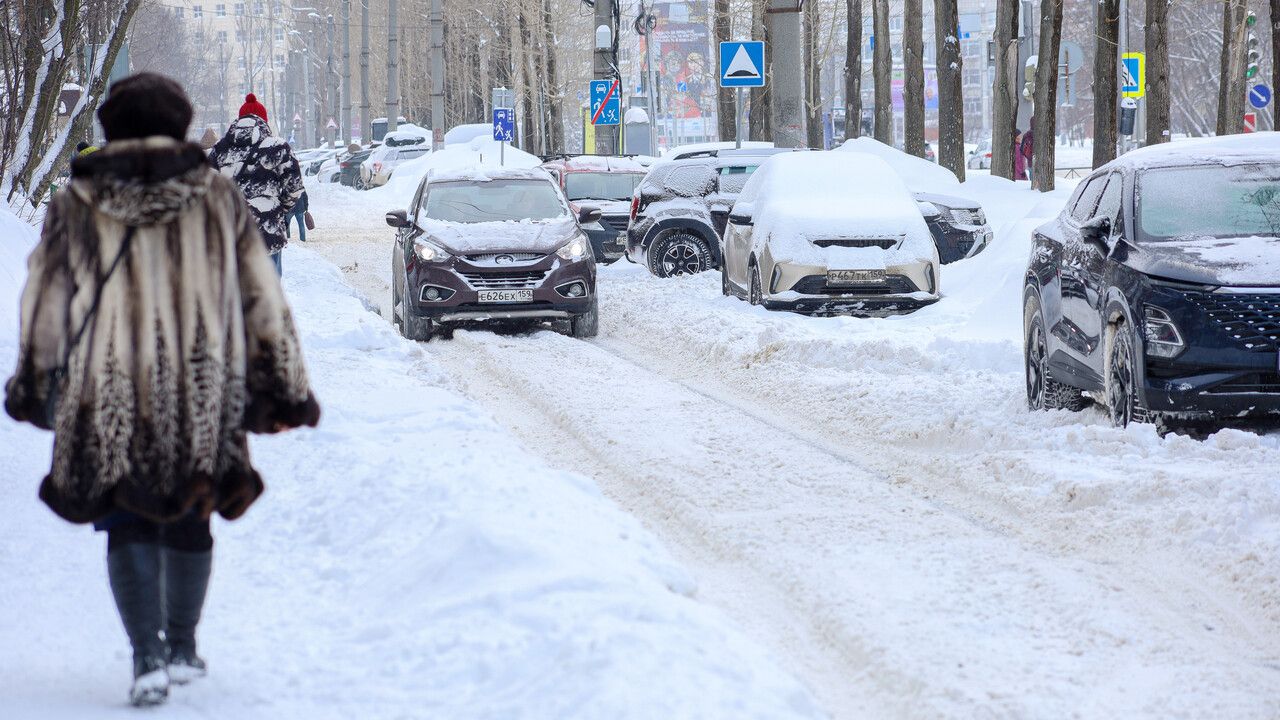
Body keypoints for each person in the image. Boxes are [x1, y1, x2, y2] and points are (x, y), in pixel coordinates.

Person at [4, 73, 320, 707]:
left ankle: (145, 653)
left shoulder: (75, 203)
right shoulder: (217, 198)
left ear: (110, 128)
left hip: (106, 383)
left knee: (124, 516)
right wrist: (285, 385)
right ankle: (181, 645)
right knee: (192, 512)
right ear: (179, 126)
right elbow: (262, 294)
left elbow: (46, 302)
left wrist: (36, 383)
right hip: (198, 385)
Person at [209, 92, 303, 276]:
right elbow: (294, 187)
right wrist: (277, 208)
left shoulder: (219, 150)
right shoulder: (278, 147)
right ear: (264, 121)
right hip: (268, 235)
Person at [1021, 121, 1036, 185]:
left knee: (1031, 181)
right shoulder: (1041, 135)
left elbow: (1022, 149)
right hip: (1042, 163)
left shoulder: (1026, 135)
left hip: (1030, 161)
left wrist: (1028, 156)